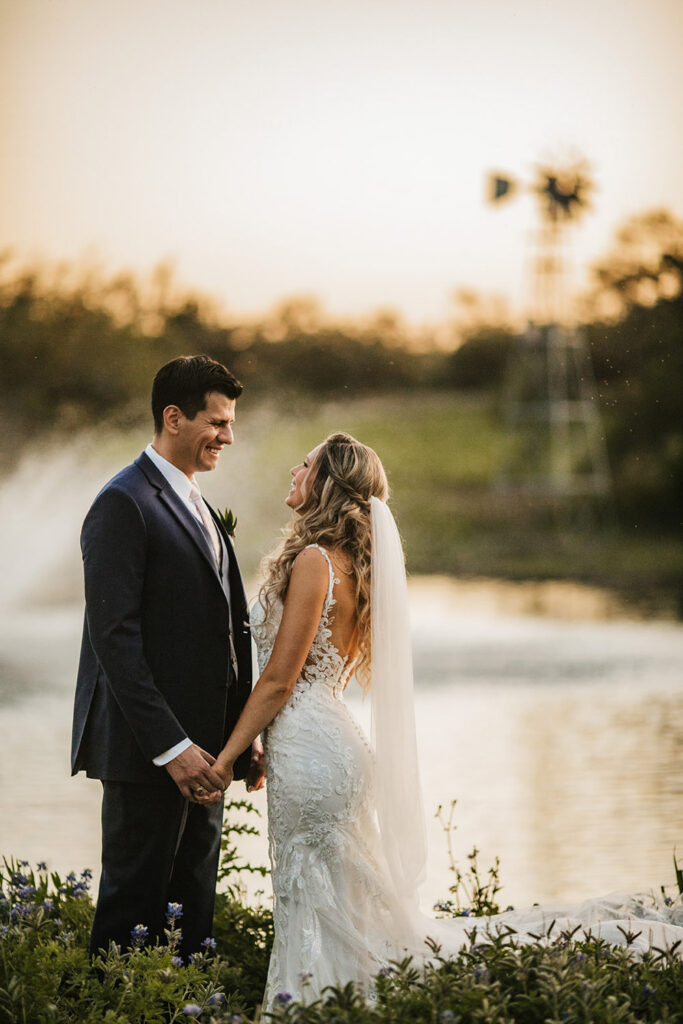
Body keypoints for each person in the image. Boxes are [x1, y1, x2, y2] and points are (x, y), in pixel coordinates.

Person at [198, 431, 683, 1008]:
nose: (292, 473)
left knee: (312, 893)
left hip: (309, 747)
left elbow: (279, 679)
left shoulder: (313, 561)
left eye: (303, 466)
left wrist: (226, 756)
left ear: (327, 484)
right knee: (334, 900)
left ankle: (318, 1003)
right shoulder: (353, 565)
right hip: (326, 742)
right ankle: (337, 1001)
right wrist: (260, 745)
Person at [71, 354, 264, 961]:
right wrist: (172, 748)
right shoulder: (122, 503)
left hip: (211, 753)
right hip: (147, 752)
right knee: (132, 915)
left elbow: (228, 630)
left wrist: (243, 732)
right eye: (217, 422)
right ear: (173, 418)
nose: (227, 436)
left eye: (230, 423)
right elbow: (115, 639)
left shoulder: (202, 506)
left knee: (191, 915)